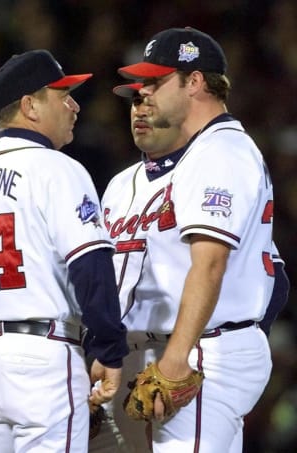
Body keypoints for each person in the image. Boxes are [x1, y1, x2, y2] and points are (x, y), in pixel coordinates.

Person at [0, 48, 129, 452]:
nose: (74, 105)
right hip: (40, 356)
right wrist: (108, 349)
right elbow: (91, 267)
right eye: (62, 95)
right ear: (29, 106)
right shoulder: (59, 169)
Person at [98, 27, 277, 453]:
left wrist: (177, 359)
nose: (142, 98)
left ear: (194, 82)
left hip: (199, 350)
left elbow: (210, 263)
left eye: (154, 84)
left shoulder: (222, 151)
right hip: (143, 352)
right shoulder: (130, 180)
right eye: (137, 92)